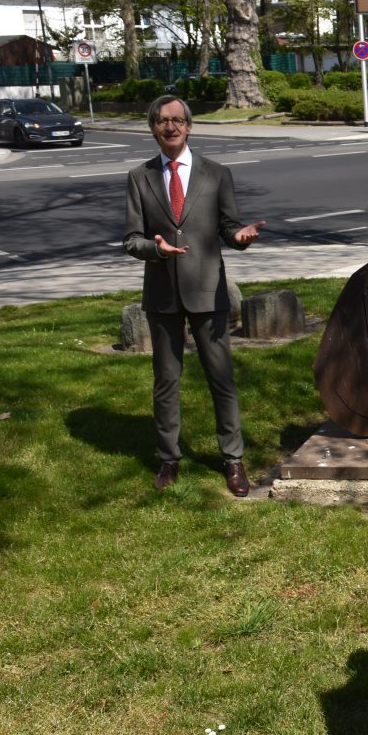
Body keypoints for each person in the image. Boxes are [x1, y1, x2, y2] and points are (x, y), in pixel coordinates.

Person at [123, 95, 266, 497]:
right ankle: (169, 458)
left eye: (177, 120)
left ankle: (233, 460)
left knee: (222, 379)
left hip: (208, 292)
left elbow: (229, 227)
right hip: (162, 295)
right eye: (162, 121)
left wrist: (240, 238)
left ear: (189, 126)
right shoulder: (139, 177)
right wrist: (156, 250)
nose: (170, 127)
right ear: (152, 128)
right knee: (166, 382)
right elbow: (131, 239)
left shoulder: (217, 174)